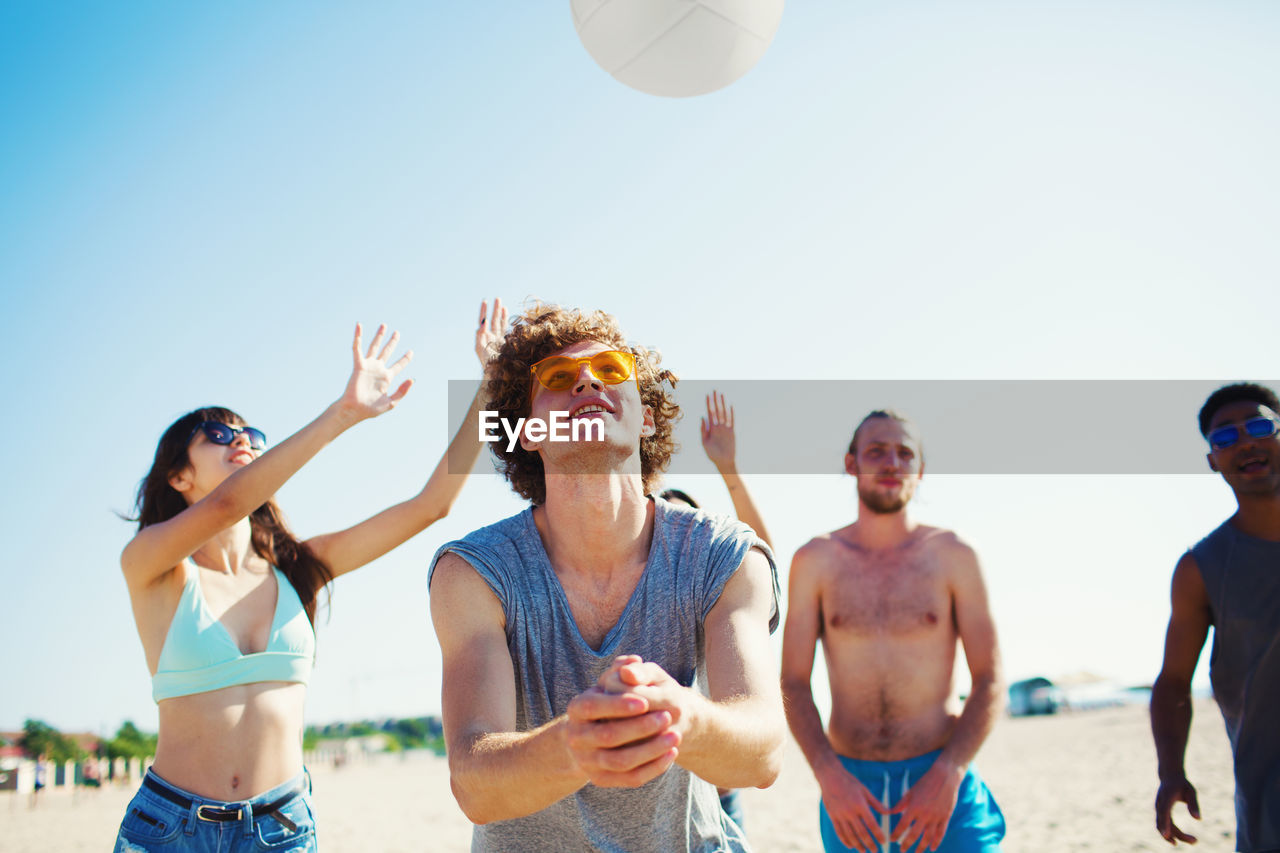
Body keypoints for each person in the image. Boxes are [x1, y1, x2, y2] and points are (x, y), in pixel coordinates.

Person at [114, 301, 506, 852]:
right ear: (178, 474)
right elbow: (226, 507)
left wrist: (488, 387)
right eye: (218, 435)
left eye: (249, 432)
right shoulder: (150, 566)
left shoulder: (298, 570)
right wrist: (343, 413)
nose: (241, 440)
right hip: (170, 829)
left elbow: (431, 505)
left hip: (281, 829)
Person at [429, 304, 786, 853]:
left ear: (646, 416)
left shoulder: (723, 554)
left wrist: (680, 717)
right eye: (557, 378)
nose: (588, 379)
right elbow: (475, 784)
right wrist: (579, 742)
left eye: (612, 370)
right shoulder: (475, 572)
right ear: (527, 431)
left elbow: (762, 753)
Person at [781, 409, 1006, 853]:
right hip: (850, 792)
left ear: (919, 471)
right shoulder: (815, 561)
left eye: (905, 453)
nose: (891, 463)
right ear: (851, 464)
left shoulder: (954, 556)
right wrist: (828, 775)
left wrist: (950, 773)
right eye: (876, 451)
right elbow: (792, 682)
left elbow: (990, 680)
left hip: (944, 784)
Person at [1152, 382, 1280, 852]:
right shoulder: (1201, 568)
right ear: (1212, 459)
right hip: (1271, 799)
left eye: (1261, 426)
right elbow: (1172, 681)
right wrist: (1171, 772)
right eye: (1224, 437)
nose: (1245, 442)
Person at [660, 389, 774, 835]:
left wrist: (728, 469)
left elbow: (765, 560)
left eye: (689, 524)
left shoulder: (724, 600)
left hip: (720, 793)